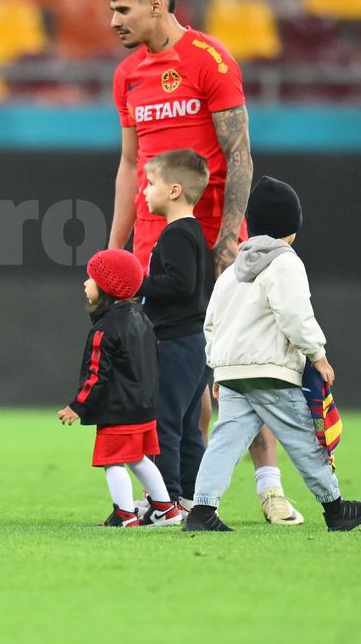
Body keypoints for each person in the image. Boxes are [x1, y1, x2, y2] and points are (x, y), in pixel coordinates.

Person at [103, 0, 302, 525]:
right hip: (153, 248)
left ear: (157, 4)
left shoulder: (210, 59)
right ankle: (176, 494)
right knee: (168, 377)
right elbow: (129, 165)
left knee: (240, 368)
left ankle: (270, 488)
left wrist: (228, 241)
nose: (114, 22)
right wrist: (114, 254)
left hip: (215, 241)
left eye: (123, 9)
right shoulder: (127, 76)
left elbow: (239, 155)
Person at [183, 177, 361, 532]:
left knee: (224, 442)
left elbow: (211, 323)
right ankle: (336, 509)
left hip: (231, 372)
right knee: (304, 439)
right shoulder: (286, 263)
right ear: (292, 229)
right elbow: (294, 314)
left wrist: (217, 369)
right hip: (270, 371)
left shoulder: (232, 271)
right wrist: (317, 355)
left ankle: (202, 510)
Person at [58, 249, 182, 528]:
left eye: (91, 278)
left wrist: (77, 406)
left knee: (112, 462)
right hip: (145, 408)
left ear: (107, 286)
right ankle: (166, 510)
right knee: (138, 458)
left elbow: (95, 375)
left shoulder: (105, 329)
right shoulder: (142, 320)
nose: (85, 283)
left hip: (119, 411)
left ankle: (125, 515)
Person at [135, 149, 213, 516]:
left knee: (163, 422)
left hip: (175, 342)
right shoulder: (192, 233)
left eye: (150, 183)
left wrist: (137, 284)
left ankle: (163, 500)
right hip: (195, 342)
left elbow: (181, 285)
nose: (144, 191)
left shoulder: (176, 235)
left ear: (175, 190)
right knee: (187, 424)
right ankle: (188, 498)